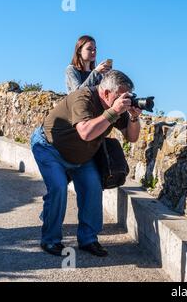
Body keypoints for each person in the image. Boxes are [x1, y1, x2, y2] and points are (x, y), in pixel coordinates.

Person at [31, 70, 142, 257]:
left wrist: (133, 116)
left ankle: (88, 239)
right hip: (50, 148)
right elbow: (86, 133)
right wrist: (113, 111)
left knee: (93, 188)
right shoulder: (82, 98)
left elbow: (132, 137)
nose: (125, 100)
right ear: (106, 93)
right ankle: (50, 240)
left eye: (128, 96)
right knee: (58, 188)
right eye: (121, 96)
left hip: (82, 156)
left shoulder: (116, 107)